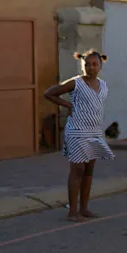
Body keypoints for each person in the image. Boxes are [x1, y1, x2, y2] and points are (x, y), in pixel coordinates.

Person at [43, 49, 115, 222]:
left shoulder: (104, 85)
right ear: (82, 65)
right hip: (77, 131)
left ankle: (84, 208)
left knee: (89, 171)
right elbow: (49, 93)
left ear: (100, 66)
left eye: (94, 64)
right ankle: (72, 211)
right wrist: (69, 105)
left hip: (94, 132)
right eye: (87, 64)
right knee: (77, 170)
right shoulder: (76, 83)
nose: (90, 68)